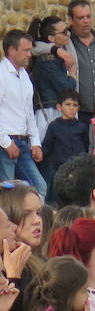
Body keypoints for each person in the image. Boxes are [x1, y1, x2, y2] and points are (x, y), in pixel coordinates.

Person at [0, 30, 46, 196]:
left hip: (22, 142)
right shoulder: (1, 74)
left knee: (39, 188)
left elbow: (29, 112)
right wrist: (5, 142)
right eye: (25, 50)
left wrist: (35, 142)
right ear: (12, 50)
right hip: (5, 144)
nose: (29, 54)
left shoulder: (24, 76)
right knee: (6, 193)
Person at [26, 16, 77, 141]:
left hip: (56, 111)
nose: (68, 34)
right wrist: (72, 74)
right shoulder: (48, 60)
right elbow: (66, 88)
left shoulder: (61, 52)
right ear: (51, 38)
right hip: (51, 112)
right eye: (64, 32)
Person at [40, 90, 88, 201]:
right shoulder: (54, 126)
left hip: (79, 170)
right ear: (59, 107)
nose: (72, 108)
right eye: (68, 104)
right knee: (58, 199)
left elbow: (86, 146)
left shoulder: (82, 127)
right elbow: (47, 147)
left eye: (75, 105)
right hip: (59, 170)